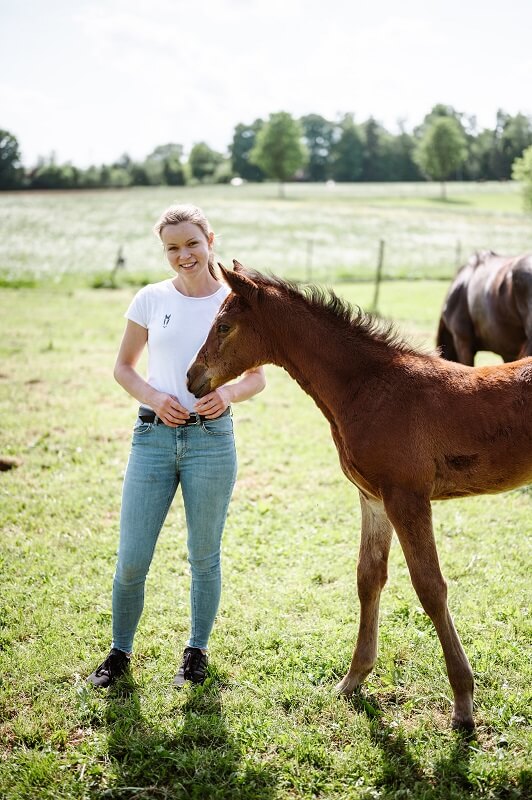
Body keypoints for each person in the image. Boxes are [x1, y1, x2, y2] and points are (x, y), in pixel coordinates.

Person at [88, 204, 265, 689]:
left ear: (211, 239)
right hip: (152, 438)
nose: (183, 255)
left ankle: (196, 652)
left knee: (204, 555)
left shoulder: (234, 303)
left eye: (191, 243)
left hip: (212, 442)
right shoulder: (150, 299)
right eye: (172, 248)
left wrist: (225, 394)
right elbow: (124, 367)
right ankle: (119, 652)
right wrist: (153, 397)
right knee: (132, 558)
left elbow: (257, 378)